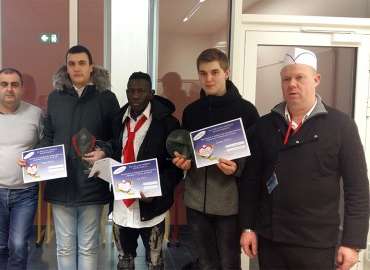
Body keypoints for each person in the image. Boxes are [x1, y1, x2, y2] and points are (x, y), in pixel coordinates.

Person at [239, 48, 369, 270]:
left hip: (316, 243)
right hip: (272, 239)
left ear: (316, 80)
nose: (292, 84)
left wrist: (352, 242)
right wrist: (248, 227)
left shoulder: (341, 126)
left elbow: (357, 189)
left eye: (300, 77)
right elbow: (251, 183)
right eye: (286, 78)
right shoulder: (265, 126)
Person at [173, 48, 260, 270]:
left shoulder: (246, 111)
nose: (209, 79)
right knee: (206, 263)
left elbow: (257, 158)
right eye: (203, 73)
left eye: (215, 72)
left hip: (229, 205)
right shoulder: (191, 111)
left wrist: (237, 168)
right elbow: (187, 151)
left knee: (229, 263)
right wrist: (184, 161)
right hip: (195, 202)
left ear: (227, 72)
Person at [38, 45, 120, 269]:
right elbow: (49, 135)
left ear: (91, 67)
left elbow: (117, 137)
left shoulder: (107, 98)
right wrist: (35, 159)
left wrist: (104, 150)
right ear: (67, 67)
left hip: (92, 181)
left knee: (87, 246)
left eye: (81, 63)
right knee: (64, 246)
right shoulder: (55, 97)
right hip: (60, 181)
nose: (76, 68)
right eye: (72, 63)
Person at [0, 68, 44, 270]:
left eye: (14, 84)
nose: (9, 89)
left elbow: (44, 147)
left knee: (20, 245)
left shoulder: (36, 114)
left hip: (26, 192)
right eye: (4, 84)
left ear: (22, 89)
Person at [111, 72, 182, 269]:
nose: (135, 96)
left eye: (141, 91)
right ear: (126, 92)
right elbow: (115, 153)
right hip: (121, 207)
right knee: (124, 262)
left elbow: (176, 169)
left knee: (155, 263)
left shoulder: (168, 123)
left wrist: (156, 191)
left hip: (152, 209)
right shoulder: (118, 120)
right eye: (131, 91)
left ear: (151, 94)